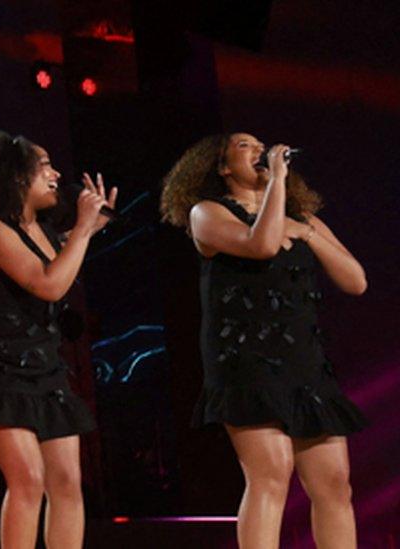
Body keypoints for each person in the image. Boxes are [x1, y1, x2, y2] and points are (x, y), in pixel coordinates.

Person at [160, 133, 368, 548]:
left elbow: (356, 280)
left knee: (335, 483)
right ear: (221, 168)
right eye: (244, 146)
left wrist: (308, 233)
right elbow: (263, 244)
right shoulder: (208, 213)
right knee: (271, 475)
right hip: (244, 356)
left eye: (261, 145)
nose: (258, 150)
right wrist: (276, 181)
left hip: (303, 358)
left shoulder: (301, 218)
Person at [0, 131, 116, 548]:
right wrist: (83, 231)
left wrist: (91, 228)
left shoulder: (47, 232)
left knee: (67, 481)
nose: (56, 174)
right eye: (44, 165)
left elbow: (59, 261)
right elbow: (48, 284)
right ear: (15, 178)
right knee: (28, 478)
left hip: (43, 367)